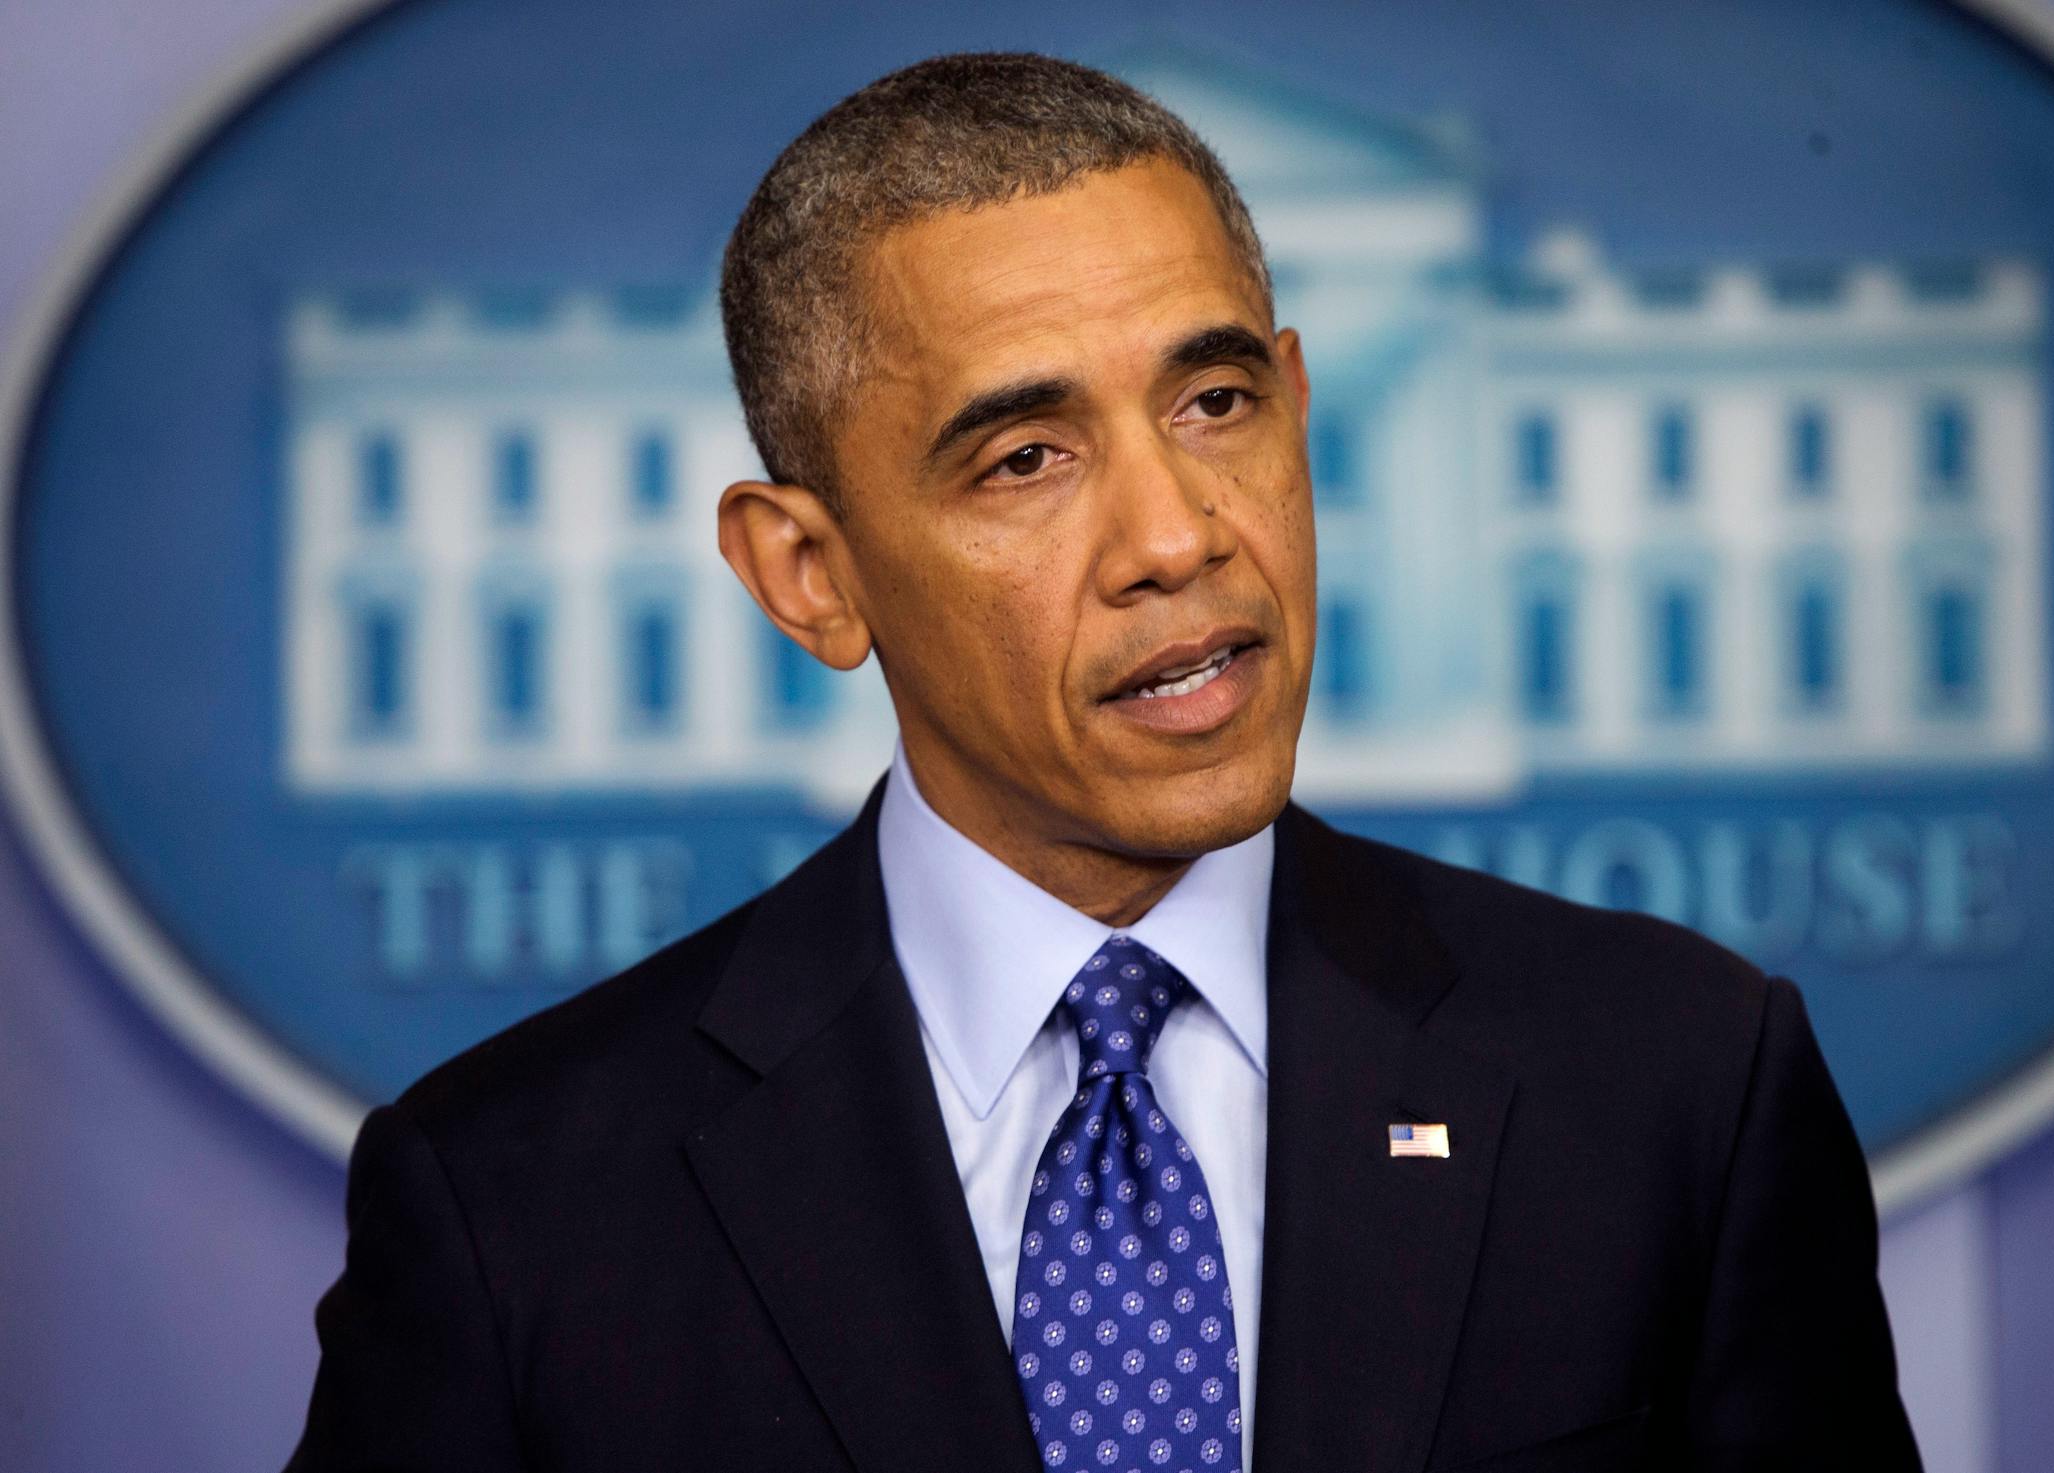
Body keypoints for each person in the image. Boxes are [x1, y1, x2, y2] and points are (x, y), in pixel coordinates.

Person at [289, 52, 1921, 1473]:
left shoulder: (1678, 1088)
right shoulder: (509, 1202)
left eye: (1215, 402)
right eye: (1027, 458)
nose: (1177, 534)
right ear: (811, 574)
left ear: (1294, 400)